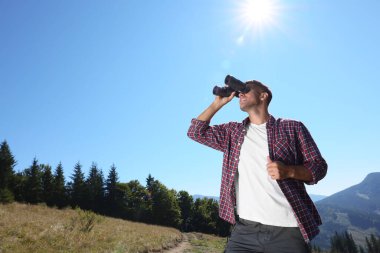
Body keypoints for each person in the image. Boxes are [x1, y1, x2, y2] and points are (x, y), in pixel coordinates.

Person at [187, 79, 327, 253]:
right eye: (239, 91)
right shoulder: (233, 132)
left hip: (287, 232)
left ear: (263, 96)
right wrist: (217, 104)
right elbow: (195, 132)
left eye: (246, 89)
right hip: (245, 231)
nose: (241, 94)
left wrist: (289, 171)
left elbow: (319, 167)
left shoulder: (292, 127)